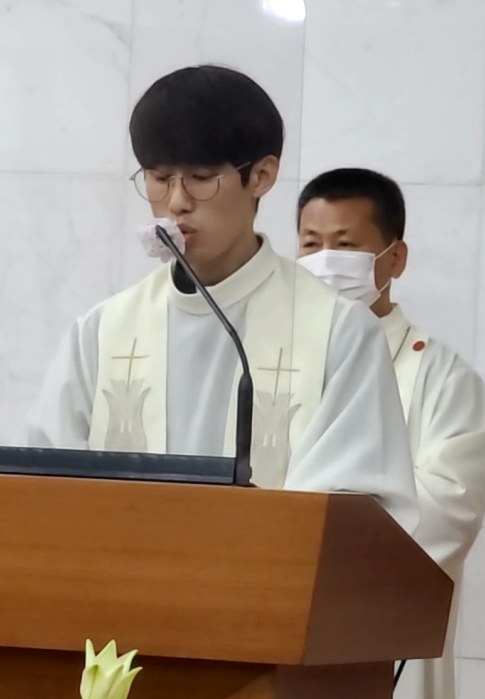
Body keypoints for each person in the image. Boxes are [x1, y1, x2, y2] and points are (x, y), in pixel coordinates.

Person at [21, 68, 417, 528]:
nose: (176, 202)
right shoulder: (102, 331)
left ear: (261, 176)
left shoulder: (338, 332)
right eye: (159, 177)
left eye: (202, 177)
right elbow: (39, 490)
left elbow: (354, 516)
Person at [296, 167, 485, 699]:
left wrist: (309, 549)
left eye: (345, 244)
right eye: (309, 244)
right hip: (272, 649)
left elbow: (442, 513)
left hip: (384, 659)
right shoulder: (275, 367)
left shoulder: (441, 379)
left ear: (395, 258)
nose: (324, 261)